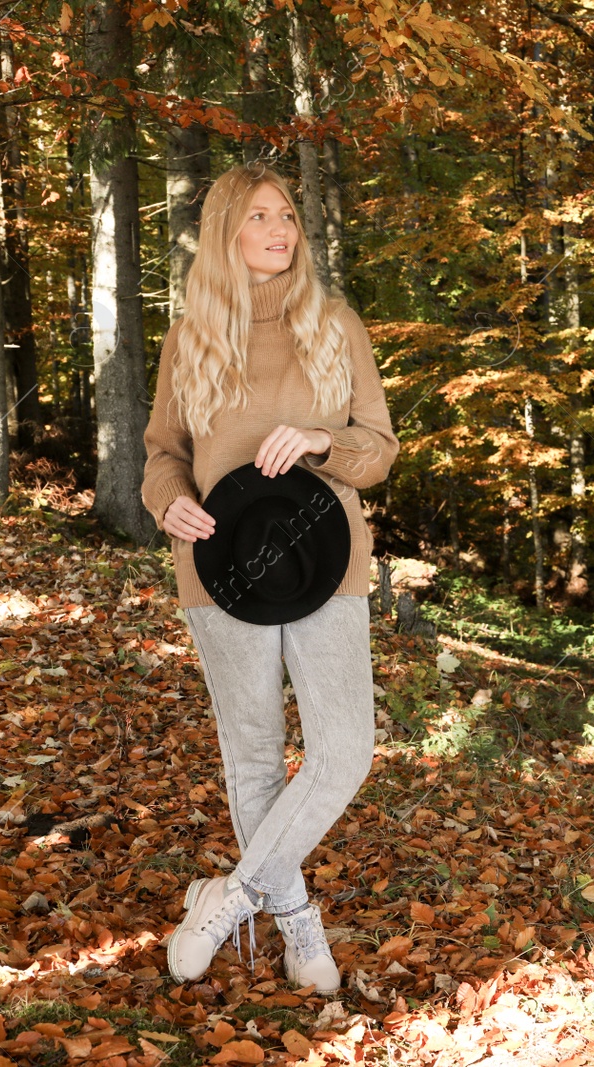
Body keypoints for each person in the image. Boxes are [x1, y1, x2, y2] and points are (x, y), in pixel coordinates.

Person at [140, 162, 398, 993]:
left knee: (344, 749)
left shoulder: (334, 322)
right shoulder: (189, 337)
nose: (280, 229)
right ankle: (295, 924)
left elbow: (379, 451)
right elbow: (161, 457)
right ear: (227, 231)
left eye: (287, 213)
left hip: (327, 563)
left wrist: (321, 439)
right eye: (259, 216)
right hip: (219, 565)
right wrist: (169, 504)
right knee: (252, 755)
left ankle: (230, 895)